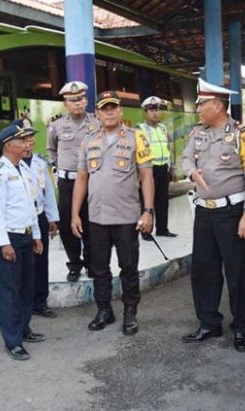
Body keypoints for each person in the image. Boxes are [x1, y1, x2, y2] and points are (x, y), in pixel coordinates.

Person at [180, 79, 245, 352]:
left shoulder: (243, 135)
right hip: (204, 212)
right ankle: (208, 323)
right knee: (203, 270)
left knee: (237, 272)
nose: (198, 109)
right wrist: (192, 171)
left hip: (233, 213)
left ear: (217, 105)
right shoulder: (197, 133)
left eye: (201, 104)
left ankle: (241, 328)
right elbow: (185, 158)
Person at [71, 90, 154, 335]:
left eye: (113, 108)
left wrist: (148, 211)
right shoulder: (88, 141)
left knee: (128, 267)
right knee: (99, 267)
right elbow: (82, 178)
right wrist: (75, 214)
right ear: (96, 113)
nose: (109, 112)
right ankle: (104, 310)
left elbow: (147, 175)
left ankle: (130, 313)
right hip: (96, 217)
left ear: (120, 111)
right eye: (104, 108)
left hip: (127, 217)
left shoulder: (135, 137)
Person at [0, 119, 45, 361]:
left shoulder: (24, 168)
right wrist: (4, 243)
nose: (26, 143)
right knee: (10, 289)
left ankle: (24, 327)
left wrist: (37, 235)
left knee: (26, 287)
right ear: (8, 145)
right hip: (9, 236)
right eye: (21, 140)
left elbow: (31, 205)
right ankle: (12, 340)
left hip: (26, 234)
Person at [47, 81, 98, 282]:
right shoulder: (57, 125)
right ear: (65, 103)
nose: (77, 103)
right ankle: (74, 264)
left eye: (81, 99)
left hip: (92, 181)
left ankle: (92, 263)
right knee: (68, 225)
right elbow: (51, 149)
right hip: (68, 182)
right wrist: (57, 165)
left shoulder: (96, 123)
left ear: (86, 101)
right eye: (72, 100)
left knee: (92, 223)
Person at [22, 119, 60, 319]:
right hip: (22, 221)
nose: (29, 142)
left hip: (40, 217)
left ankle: (40, 302)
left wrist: (53, 218)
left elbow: (49, 193)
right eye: (25, 138)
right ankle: (25, 303)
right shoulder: (12, 165)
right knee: (24, 263)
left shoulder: (39, 162)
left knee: (41, 261)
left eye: (31, 137)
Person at [137, 96, 177, 241]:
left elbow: (168, 148)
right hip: (148, 169)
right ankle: (145, 231)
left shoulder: (162, 128)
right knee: (147, 201)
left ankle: (162, 229)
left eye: (158, 109)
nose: (155, 113)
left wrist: (172, 168)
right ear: (145, 111)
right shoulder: (139, 129)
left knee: (163, 200)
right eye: (152, 109)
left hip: (163, 168)